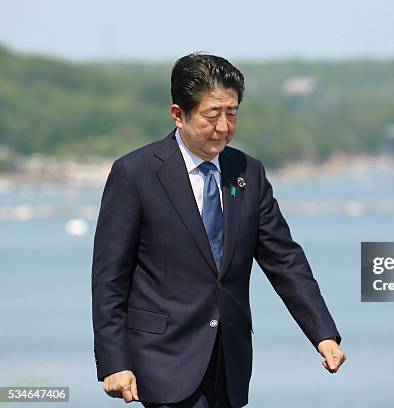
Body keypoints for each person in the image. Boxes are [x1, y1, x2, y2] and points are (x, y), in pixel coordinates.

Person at [91, 53, 345, 408]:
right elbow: (109, 279)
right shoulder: (135, 173)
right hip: (163, 360)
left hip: (230, 361)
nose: (224, 127)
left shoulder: (248, 172)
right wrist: (114, 363)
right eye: (212, 115)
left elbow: (284, 260)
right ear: (178, 115)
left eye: (232, 113)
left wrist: (323, 334)